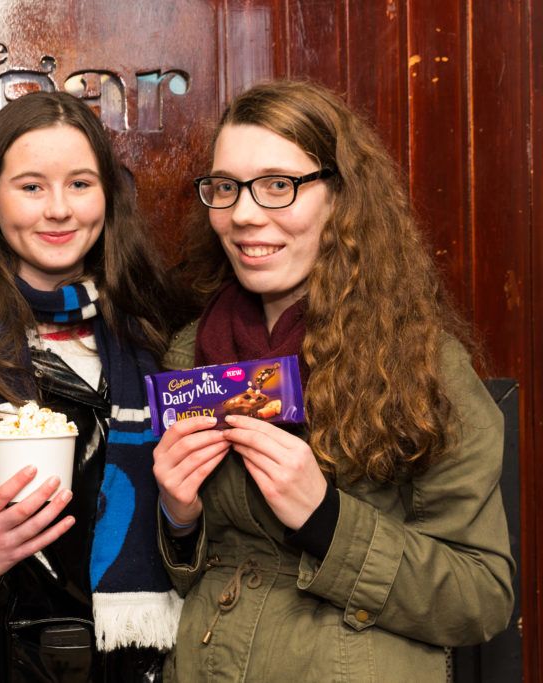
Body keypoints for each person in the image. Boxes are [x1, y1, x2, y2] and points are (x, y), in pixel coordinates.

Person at [153, 79, 515, 681]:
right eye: (225, 188)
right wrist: (179, 518)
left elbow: (481, 595)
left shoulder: (422, 363)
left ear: (340, 198)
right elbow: (197, 572)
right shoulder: (191, 353)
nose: (243, 215)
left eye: (278, 185)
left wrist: (326, 520)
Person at [0, 90, 180, 681]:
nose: (59, 209)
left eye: (80, 184)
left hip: (142, 661)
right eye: (31, 187)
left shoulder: (161, 333)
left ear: (108, 197)